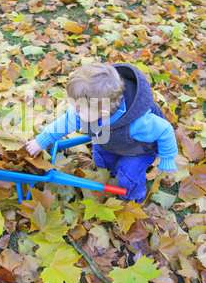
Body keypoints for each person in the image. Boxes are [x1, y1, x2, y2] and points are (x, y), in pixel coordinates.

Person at [25, 62, 178, 203]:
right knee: (101, 159)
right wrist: (42, 141)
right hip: (110, 143)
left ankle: (132, 197)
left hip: (139, 149)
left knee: (128, 174)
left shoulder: (140, 123)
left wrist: (167, 159)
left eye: (78, 108)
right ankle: (110, 174)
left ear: (102, 112)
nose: (73, 111)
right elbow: (65, 123)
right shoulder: (87, 110)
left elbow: (165, 130)